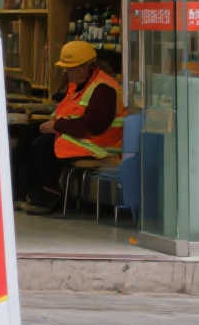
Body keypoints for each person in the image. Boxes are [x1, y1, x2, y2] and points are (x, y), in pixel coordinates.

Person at [17, 40, 123, 215]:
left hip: (98, 146)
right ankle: (21, 194)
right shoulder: (81, 85)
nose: (67, 72)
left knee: (43, 146)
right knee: (28, 133)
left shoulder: (104, 89)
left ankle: (48, 197)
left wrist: (57, 126)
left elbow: (94, 126)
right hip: (77, 137)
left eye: (71, 68)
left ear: (85, 67)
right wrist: (53, 124)